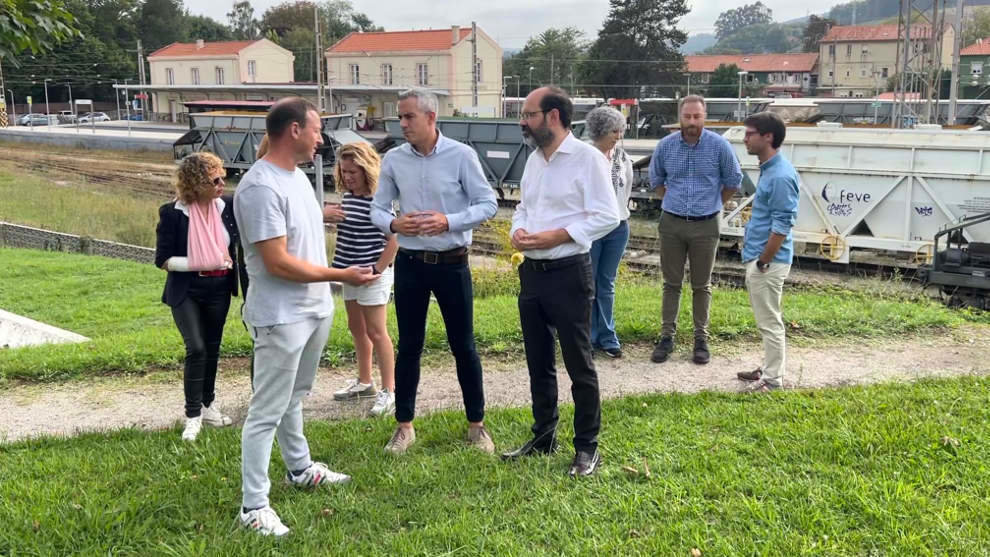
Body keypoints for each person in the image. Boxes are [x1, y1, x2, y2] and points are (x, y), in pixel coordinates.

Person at [234, 97, 376, 537]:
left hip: (314, 309)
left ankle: (300, 469)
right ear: (294, 130)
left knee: (294, 397)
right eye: (316, 130)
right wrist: (341, 275)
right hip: (281, 315)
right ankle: (253, 506)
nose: (321, 139)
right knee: (266, 410)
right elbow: (277, 262)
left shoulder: (295, 177)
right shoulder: (260, 188)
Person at [370, 88, 498, 455]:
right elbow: (377, 208)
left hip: (453, 262)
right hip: (410, 264)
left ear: (431, 117)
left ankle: (476, 426)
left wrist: (449, 221)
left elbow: (488, 203)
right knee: (410, 345)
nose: (402, 123)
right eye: (400, 117)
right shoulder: (394, 160)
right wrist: (394, 225)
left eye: (408, 116)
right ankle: (404, 426)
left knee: (464, 345)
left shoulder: (461, 156)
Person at [503, 87, 619, 477]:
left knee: (578, 364)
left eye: (528, 114)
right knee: (538, 362)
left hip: (569, 273)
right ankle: (544, 435)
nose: (523, 122)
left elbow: (607, 216)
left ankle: (587, 447)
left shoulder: (587, 159)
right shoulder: (535, 160)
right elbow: (523, 207)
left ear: (553, 116)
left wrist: (558, 235)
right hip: (532, 274)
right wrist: (518, 231)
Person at [155, 152, 246, 442]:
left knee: (212, 348)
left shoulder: (226, 207)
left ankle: (208, 404)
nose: (222, 184)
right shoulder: (172, 213)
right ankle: (192, 416)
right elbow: (163, 260)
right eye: (214, 180)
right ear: (195, 184)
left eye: (222, 178)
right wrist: (202, 262)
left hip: (219, 288)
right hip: (187, 289)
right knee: (196, 348)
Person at [648, 94, 742, 365]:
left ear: (705, 116)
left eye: (697, 116)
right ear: (680, 117)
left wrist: (713, 203)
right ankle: (667, 337)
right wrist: (671, 200)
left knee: (702, 285)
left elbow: (733, 180)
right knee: (671, 284)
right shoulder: (665, 146)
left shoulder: (719, 146)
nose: (692, 122)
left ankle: (701, 339)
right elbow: (656, 179)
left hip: (706, 223)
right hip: (672, 223)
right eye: (687, 116)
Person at [329, 142, 399, 416]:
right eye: (344, 171)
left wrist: (377, 270)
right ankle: (365, 381)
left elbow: (394, 239)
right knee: (356, 327)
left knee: (376, 331)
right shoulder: (348, 198)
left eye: (353, 172)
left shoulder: (377, 201)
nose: (347, 177)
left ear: (367, 170)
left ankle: (389, 390)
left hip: (372, 275)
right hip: (350, 272)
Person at [736, 112, 800, 392]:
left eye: (750, 133)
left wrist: (764, 260)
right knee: (766, 319)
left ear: (768, 137)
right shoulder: (770, 169)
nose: (745, 139)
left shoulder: (781, 176)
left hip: (768, 262)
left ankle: (773, 380)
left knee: (770, 322)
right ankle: (769, 368)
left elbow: (782, 225)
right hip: (762, 258)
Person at [585, 106, 634, 359]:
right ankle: (588, 338)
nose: (618, 136)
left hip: (618, 228)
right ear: (600, 131)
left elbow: (626, 190)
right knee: (588, 284)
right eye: (614, 131)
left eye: (620, 130)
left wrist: (619, 213)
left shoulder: (623, 158)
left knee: (606, 283)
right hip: (592, 229)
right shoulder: (584, 156)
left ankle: (607, 336)